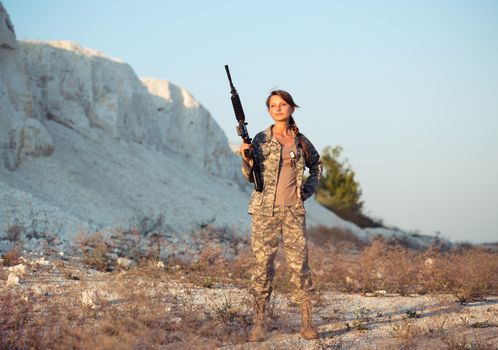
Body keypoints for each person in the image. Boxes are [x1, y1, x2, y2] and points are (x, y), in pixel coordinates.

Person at [239, 90, 322, 341]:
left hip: (293, 212)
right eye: (273, 105)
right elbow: (248, 176)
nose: (278, 109)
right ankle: (258, 324)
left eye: (282, 104)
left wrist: (305, 192)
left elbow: (316, 165)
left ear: (291, 109)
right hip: (264, 212)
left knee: (300, 267)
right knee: (262, 267)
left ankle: (307, 324)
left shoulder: (300, 141)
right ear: (268, 111)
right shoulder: (260, 139)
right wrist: (245, 158)